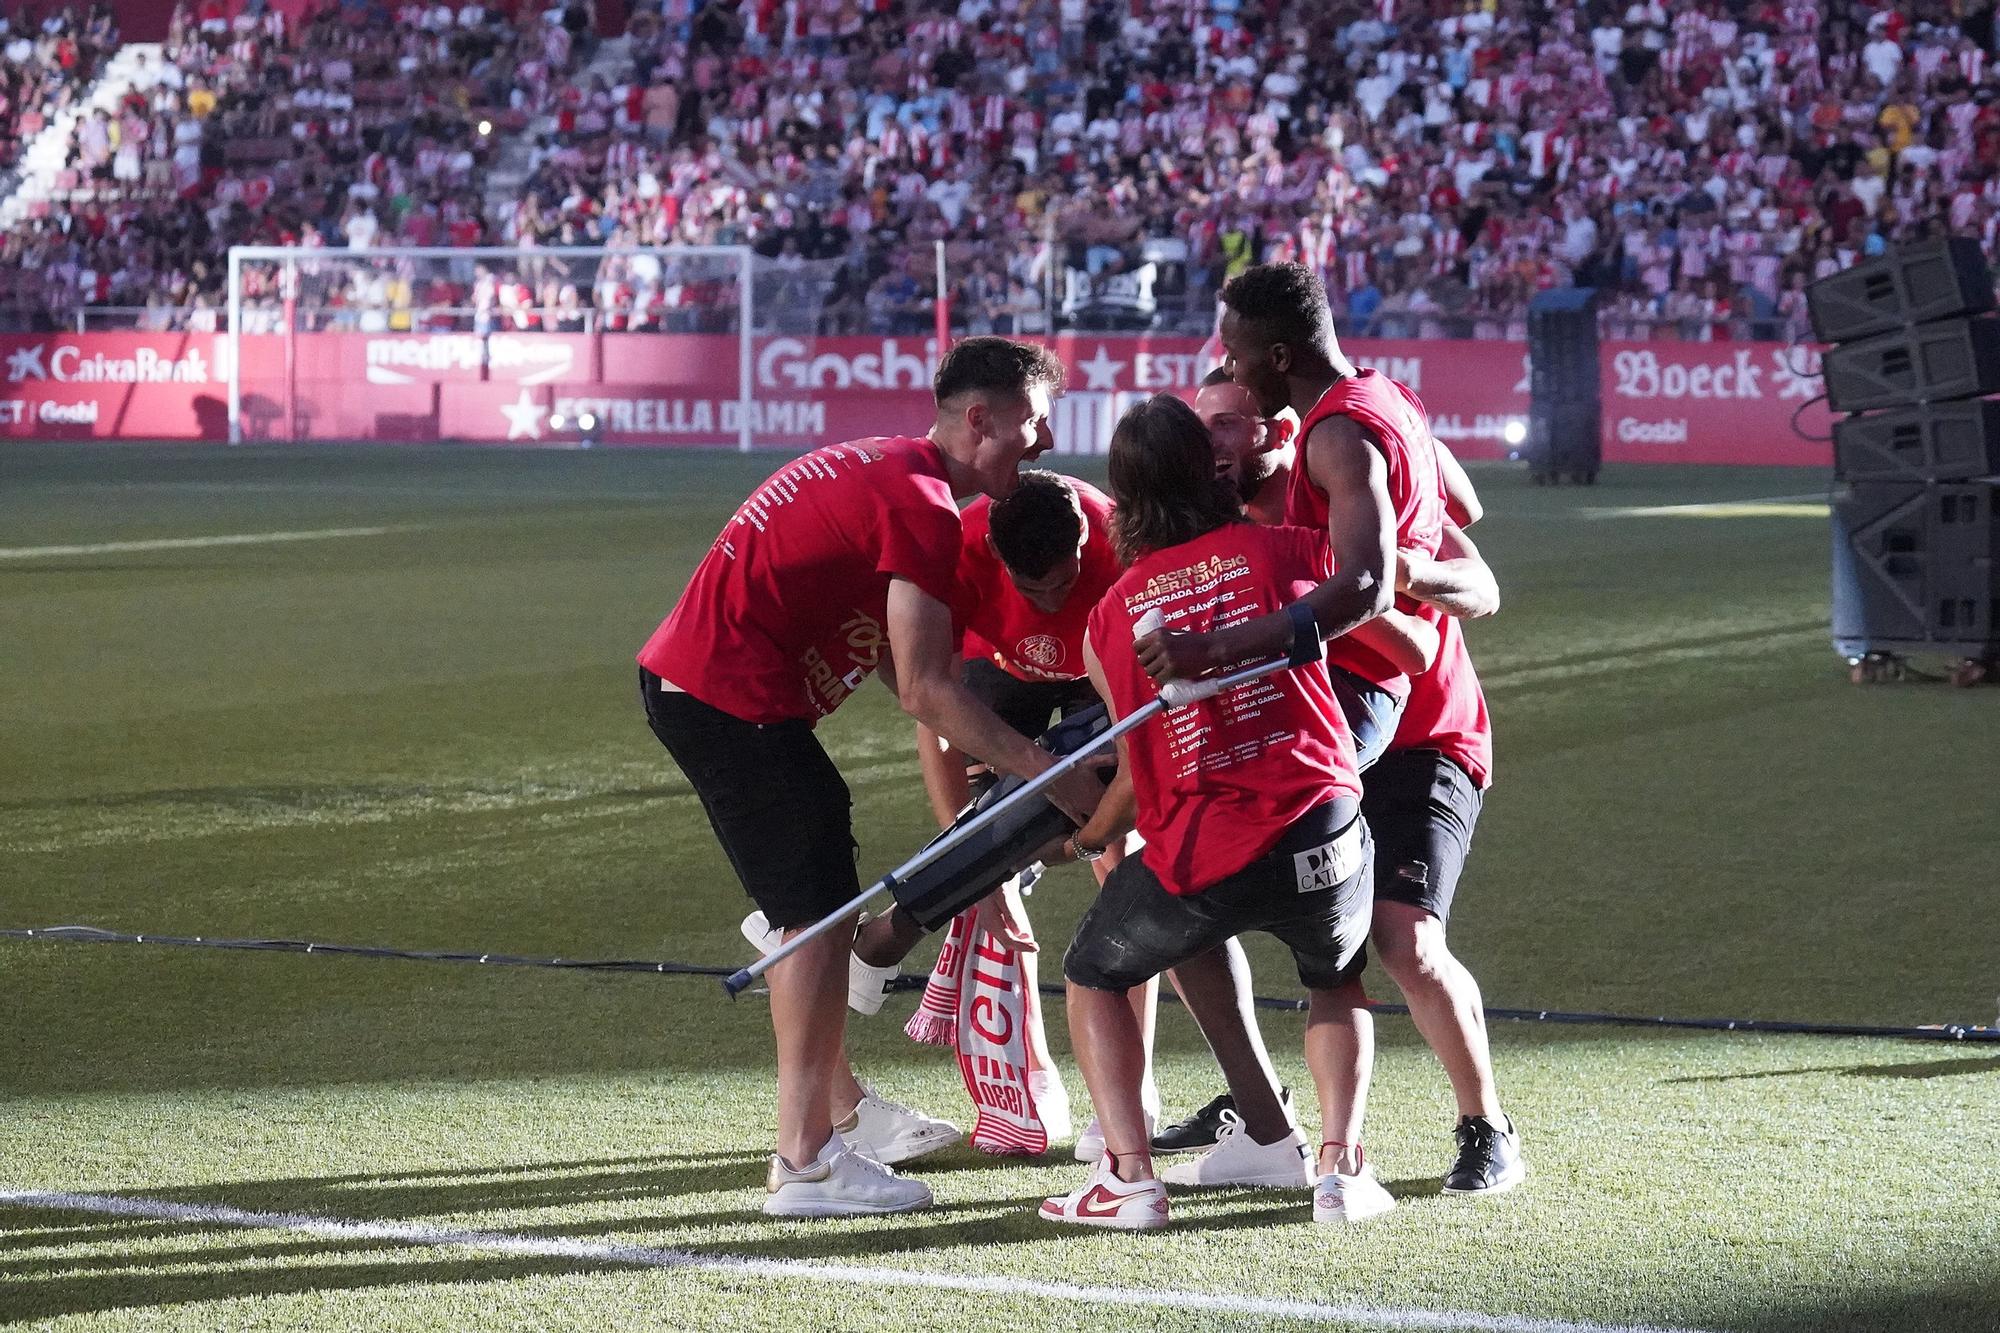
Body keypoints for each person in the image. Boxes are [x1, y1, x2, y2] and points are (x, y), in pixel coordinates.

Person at [636, 337, 1103, 1218]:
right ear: (980, 419)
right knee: (817, 922)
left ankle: (833, 1117)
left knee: (813, 908)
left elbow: (903, 667)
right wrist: (1049, 775)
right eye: (1033, 424)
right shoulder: (923, 504)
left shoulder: (893, 471)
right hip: (730, 698)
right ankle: (807, 1160)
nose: (1042, 444)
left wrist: (969, 737)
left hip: (707, 689)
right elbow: (927, 686)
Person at [1039, 395, 1388, 1229]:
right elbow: (1369, 585)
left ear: (1121, 500)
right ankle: (1338, 1171)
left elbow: (1136, 760)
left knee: (1093, 969)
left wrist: (1088, 834)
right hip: (1323, 824)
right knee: (1335, 979)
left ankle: (1128, 1177)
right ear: (1214, 470)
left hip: (1208, 849)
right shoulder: (1289, 550)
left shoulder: (1108, 620)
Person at [907, 469, 1159, 1139]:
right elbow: (933, 711)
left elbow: (1140, 715)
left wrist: (1102, 825)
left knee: (1126, 860)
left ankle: (1134, 1089)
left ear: (1088, 542)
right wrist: (970, 861)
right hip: (997, 669)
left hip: (1099, 673)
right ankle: (1024, 1083)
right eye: (1033, 587)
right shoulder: (957, 549)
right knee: (985, 863)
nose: (1051, 599)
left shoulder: (1118, 548)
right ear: (996, 554)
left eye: (1065, 580)